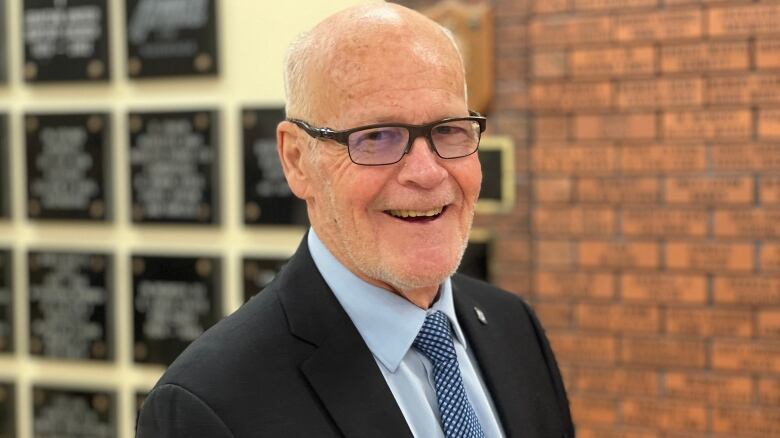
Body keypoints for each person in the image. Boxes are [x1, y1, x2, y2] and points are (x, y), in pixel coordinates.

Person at [136, 3, 573, 437]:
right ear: (296, 161)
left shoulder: (513, 326)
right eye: (376, 137)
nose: (426, 172)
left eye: (448, 130)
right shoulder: (209, 405)